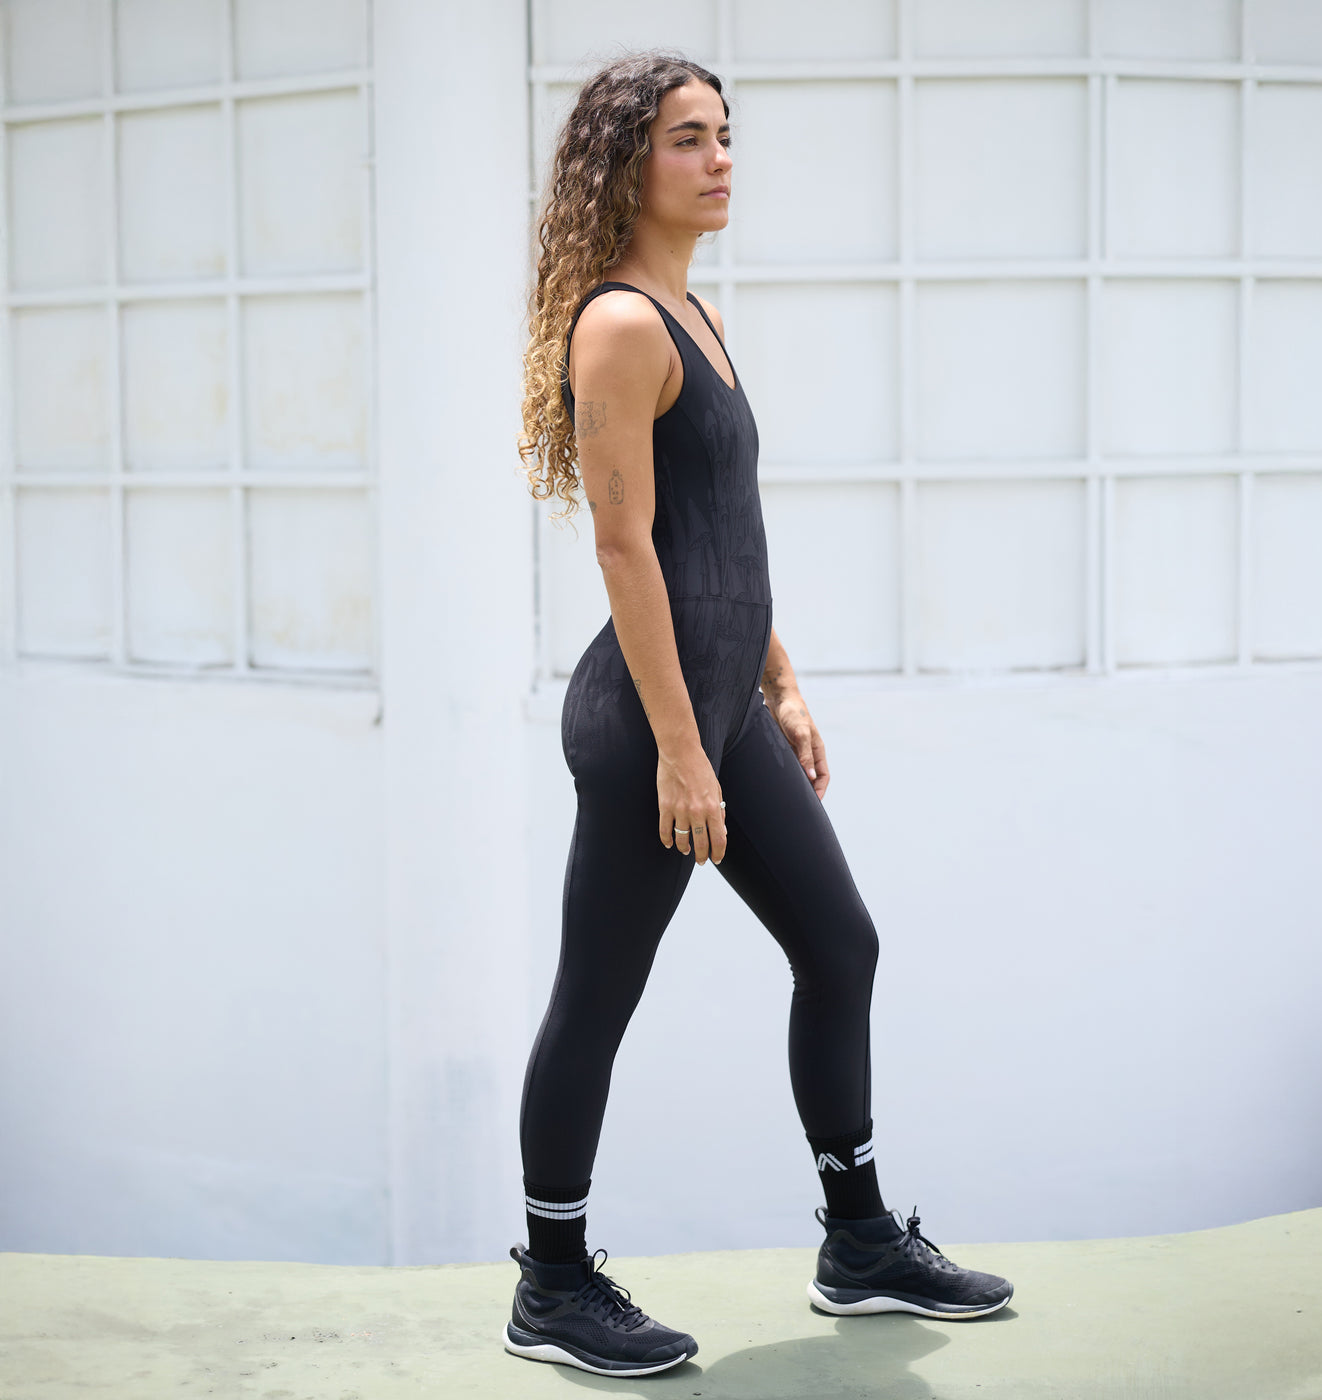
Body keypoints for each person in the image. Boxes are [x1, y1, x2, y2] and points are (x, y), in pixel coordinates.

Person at [507, 51, 1013, 1377]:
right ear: (626, 165)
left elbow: (719, 532)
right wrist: (681, 749)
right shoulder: (622, 327)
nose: (720, 159)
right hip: (649, 727)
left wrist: (777, 680)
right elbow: (625, 547)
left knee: (840, 946)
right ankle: (550, 1287)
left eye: (724, 134)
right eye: (688, 139)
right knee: (598, 998)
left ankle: (860, 1243)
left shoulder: (696, 315)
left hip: (719, 706)